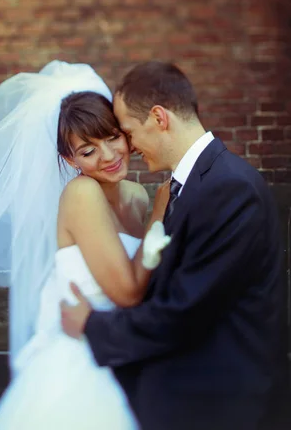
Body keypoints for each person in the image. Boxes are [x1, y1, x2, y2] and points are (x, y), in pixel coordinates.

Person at [0, 61, 170, 430]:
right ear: (69, 159)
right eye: (87, 150)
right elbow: (129, 290)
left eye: (112, 137)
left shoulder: (136, 195)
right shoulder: (81, 193)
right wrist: (161, 215)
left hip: (119, 346)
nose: (109, 156)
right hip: (78, 359)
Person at [61, 61, 283, 430]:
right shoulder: (198, 184)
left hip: (221, 404)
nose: (127, 146)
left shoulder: (229, 188)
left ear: (159, 118)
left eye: (128, 132)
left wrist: (92, 325)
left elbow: (185, 309)